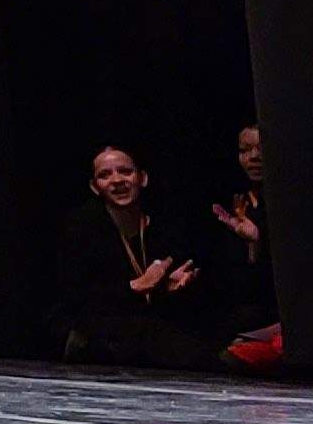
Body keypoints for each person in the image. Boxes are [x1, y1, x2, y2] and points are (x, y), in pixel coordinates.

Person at [53, 146, 222, 369]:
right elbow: (77, 299)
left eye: (125, 172)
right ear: (95, 187)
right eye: (105, 175)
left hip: (148, 329)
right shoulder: (80, 230)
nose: (117, 180)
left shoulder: (162, 227)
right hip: (97, 330)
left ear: (142, 178)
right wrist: (134, 287)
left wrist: (171, 288)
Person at [208, 121, 279, 367]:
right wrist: (252, 244)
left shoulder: (292, 199)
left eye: (262, 147)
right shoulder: (238, 202)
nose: (254, 157)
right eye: (245, 150)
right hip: (251, 308)